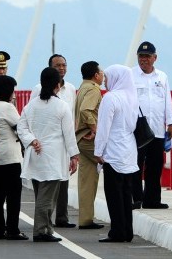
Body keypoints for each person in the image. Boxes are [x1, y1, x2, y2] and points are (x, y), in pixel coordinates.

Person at [17, 67, 79, 243]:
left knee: (41, 194)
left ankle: (46, 228)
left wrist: (31, 140)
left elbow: (21, 127)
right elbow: (69, 134)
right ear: (57, 85)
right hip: (52, 156)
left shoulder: (31, 105)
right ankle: (41, 231)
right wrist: (74, 155)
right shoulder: (61, 106)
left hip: (35, 155)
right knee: (47, 197)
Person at [28, 54, 77, 228]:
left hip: (62, 145)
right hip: (42, 145)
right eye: (57, 66)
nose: (61, 68)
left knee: (62, 182)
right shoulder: (37, 91)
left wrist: (72, 151)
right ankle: (43, 223)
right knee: (44, 186)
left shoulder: (70, 89)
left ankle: (60, 218)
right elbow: (31, 118)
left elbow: (73, 117)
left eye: (64, 65)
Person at [94, 64, 139, 243]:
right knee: (126, 195)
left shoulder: (111, 98)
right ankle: (127, 230)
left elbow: (104, 127)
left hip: (113, 151)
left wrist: (98, 151)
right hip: (129, 149)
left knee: (114, 195)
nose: (105, 82)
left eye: (107, 78)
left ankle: (117, 232)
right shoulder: (132, 97)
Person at [130, 41, 172, 209]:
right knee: (135, 165)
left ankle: (152, 200)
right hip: (137, 130)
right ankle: (136, 198)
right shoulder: (130, 75)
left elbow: (167, 101)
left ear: (154, 58)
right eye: (141, 56)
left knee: (155, 166)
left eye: (148, 56)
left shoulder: (162, 77)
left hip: (157, 129)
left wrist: (171, 123)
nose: (144, 60)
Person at [0, 75, 28, 240]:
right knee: (13, 196)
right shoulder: (7, 107)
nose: (14, 93)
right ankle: (12, 230)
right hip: (10, 158)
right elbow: (21, 128)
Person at [73, 60, 105, 230]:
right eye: (101, 73)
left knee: (87, 180)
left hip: (79, 137)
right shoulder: (93, 89)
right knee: (114, 163)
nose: (103, 76)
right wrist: (95, 128)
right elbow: (86, 110)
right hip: (88, 138)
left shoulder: (82, 87)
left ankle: (85, 219)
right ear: (95, 75)